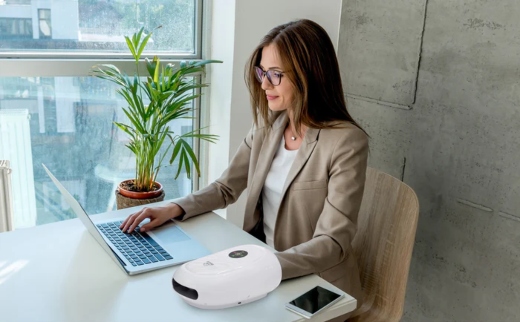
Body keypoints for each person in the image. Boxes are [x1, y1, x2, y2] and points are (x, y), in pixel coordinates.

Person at [120, 19, 368, 321]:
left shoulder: (345, 141)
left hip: (318, 283)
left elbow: (332, 243)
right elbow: (226, 188)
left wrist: (261, 268)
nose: (264, 84)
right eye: (262, 72)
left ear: (310, 75)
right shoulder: (268, 126)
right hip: (264, 267)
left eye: (276, 75)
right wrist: (173, 207)